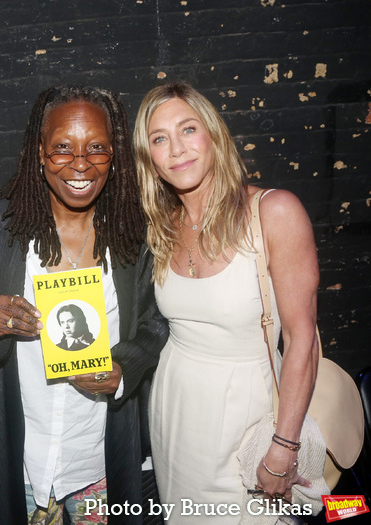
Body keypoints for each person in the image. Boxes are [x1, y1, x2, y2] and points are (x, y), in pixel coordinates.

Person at [0, 85, 169, 524]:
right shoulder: (2, 228)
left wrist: (124, 369)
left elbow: (154, 323)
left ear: (115, 156)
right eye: (61, 148)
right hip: (24, 458)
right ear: (39, 151)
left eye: (96, 148)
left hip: (97, 458)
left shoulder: (132, 234)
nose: (79, 164)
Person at [133, 82, 319, 523]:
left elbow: (301, 339)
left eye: (188, 129)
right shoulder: (163, 225)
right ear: (151, 160)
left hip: (246, 417)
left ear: (213, 133)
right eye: (159, 139)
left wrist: (284, 445)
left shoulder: (273, 212)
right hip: (174, 410)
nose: (176, 149)